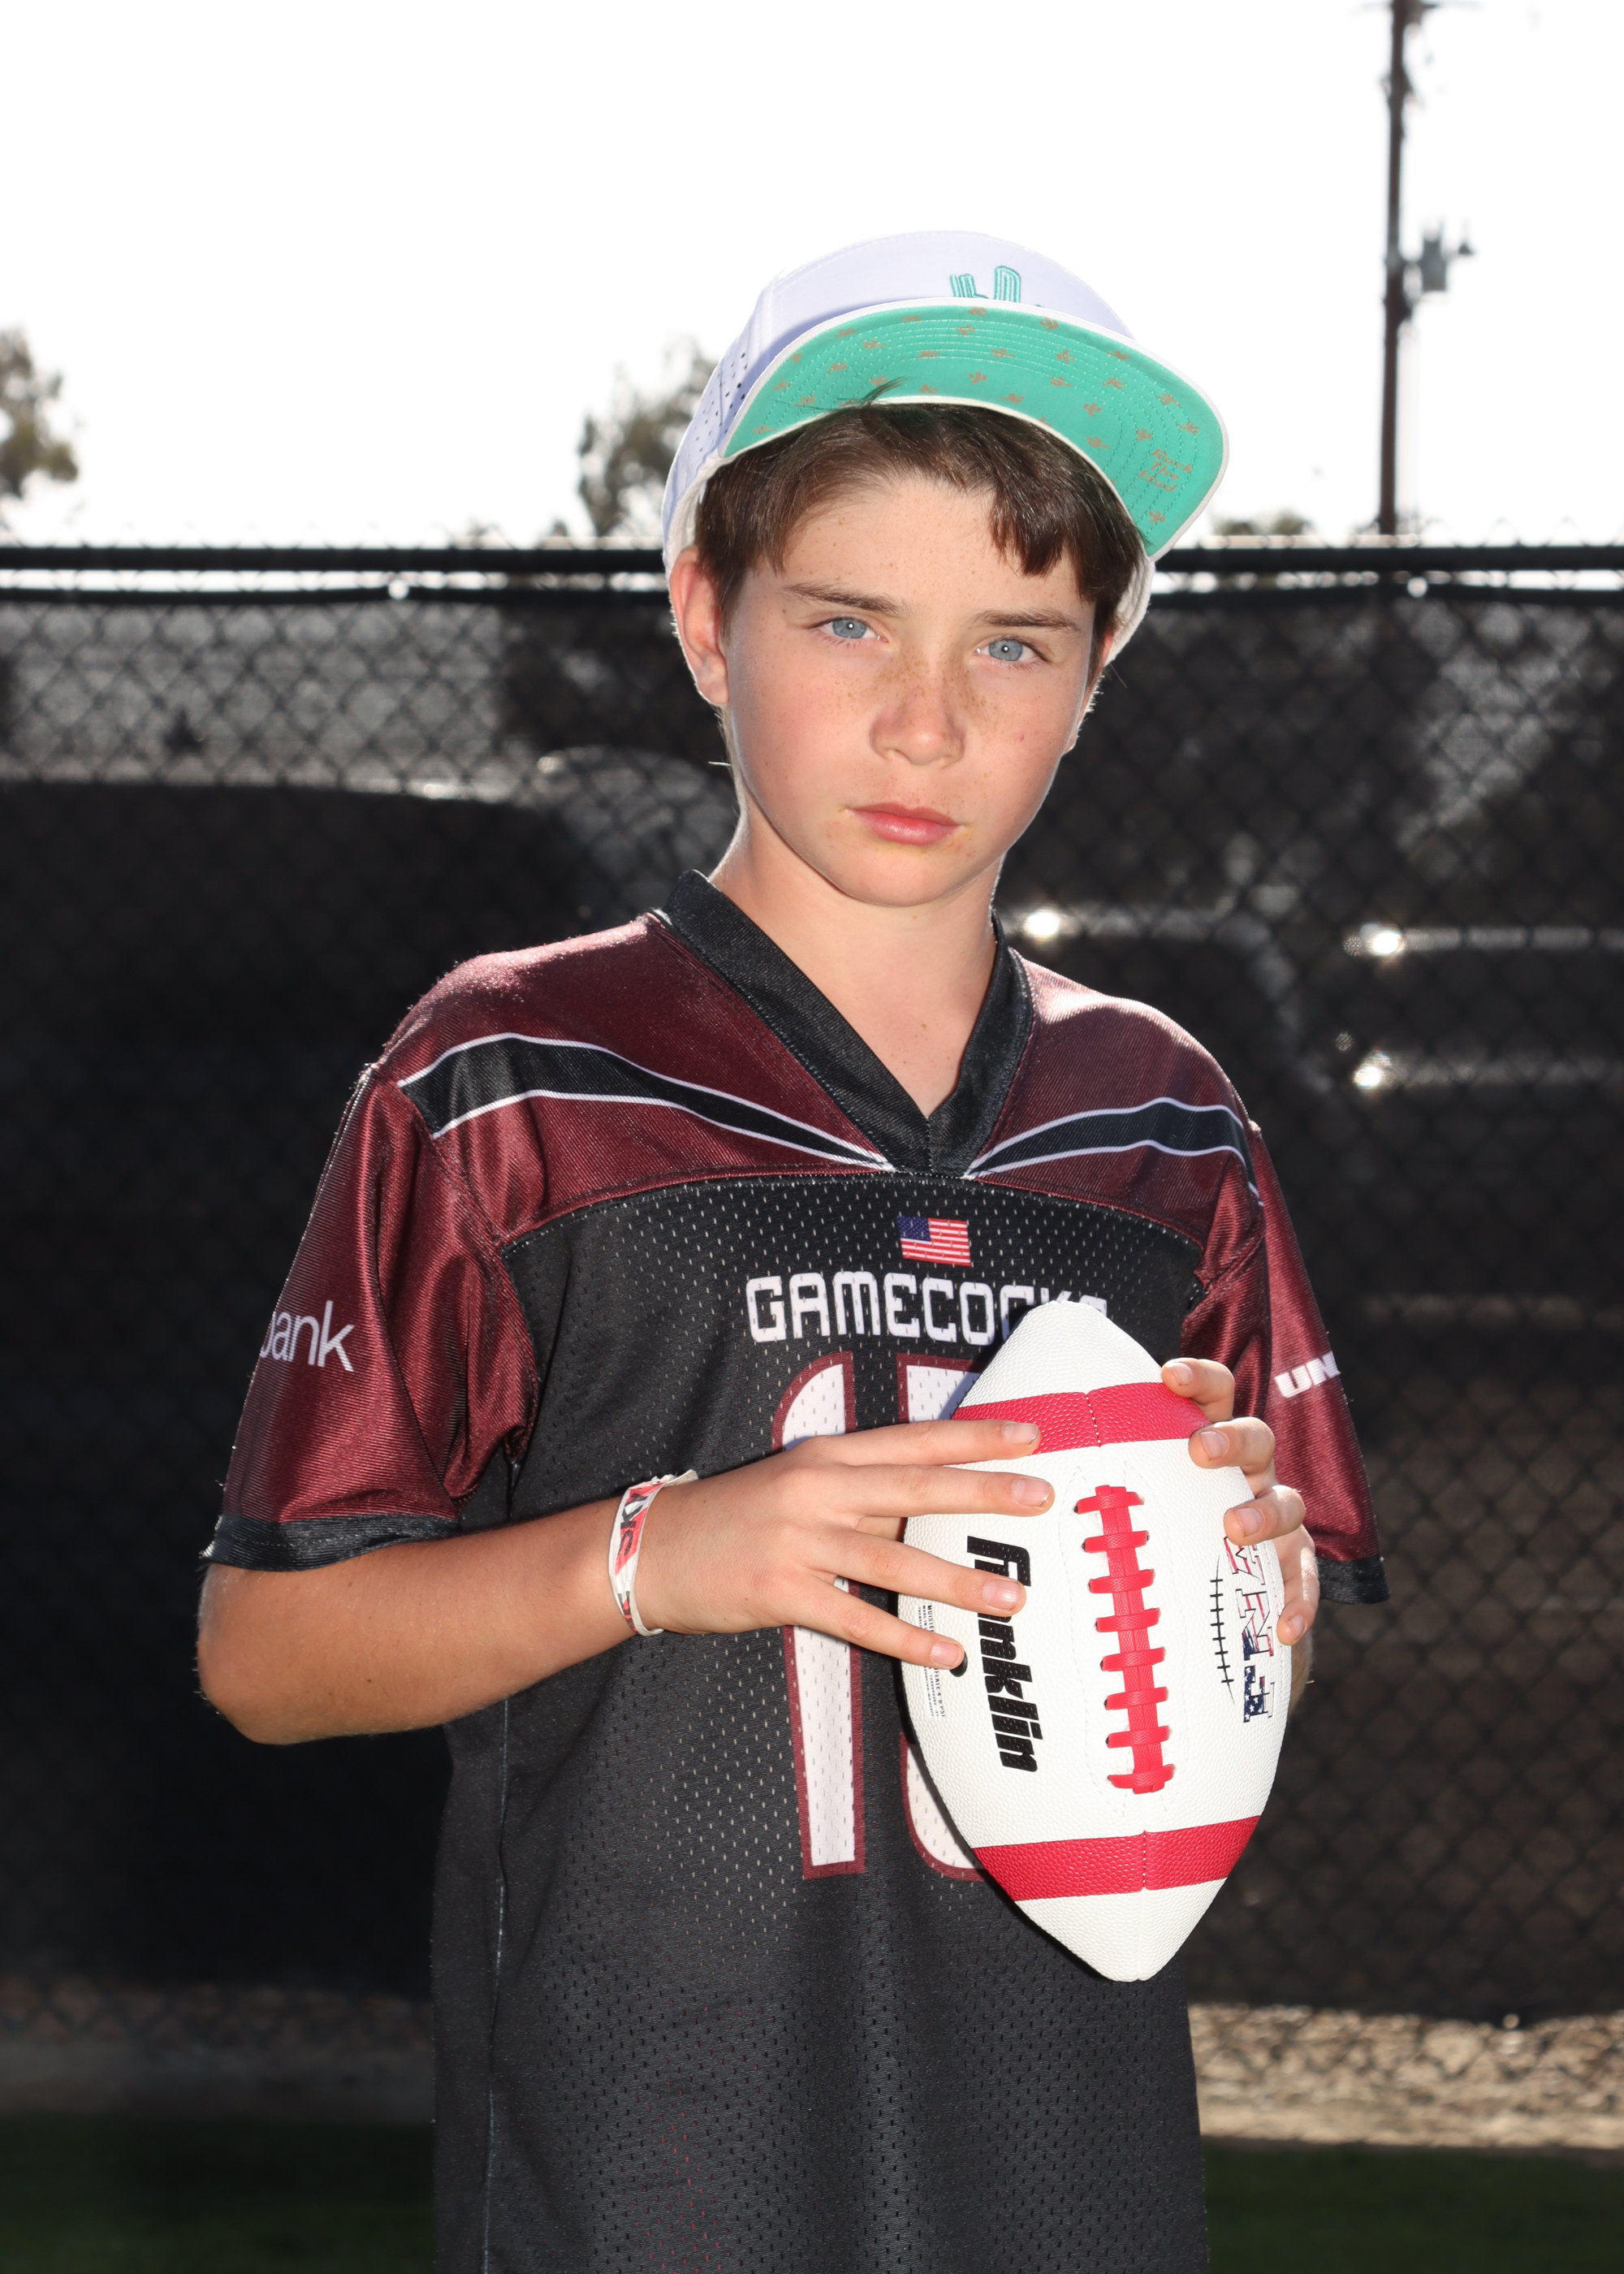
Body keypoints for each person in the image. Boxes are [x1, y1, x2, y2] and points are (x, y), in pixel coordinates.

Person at [198, 232, 1386, 2274]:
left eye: (1013, 643)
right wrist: (662, 1552)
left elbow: (1254, 1643)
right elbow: (268, 1652)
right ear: (703, 613)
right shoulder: (511, 1068)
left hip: (1063, 2168)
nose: (925, 721)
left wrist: (1235, 1573)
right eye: (849, 621)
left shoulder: (1163, 1114)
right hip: (655, 2170)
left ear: (1097, 672)